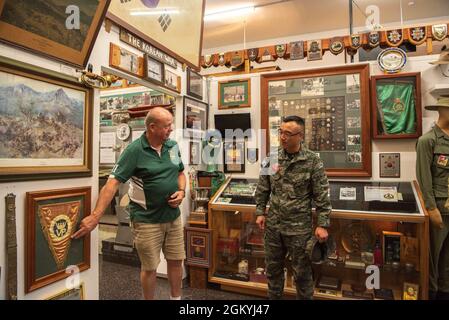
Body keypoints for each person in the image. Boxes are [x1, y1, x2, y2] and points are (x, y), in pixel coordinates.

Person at [72, 107, 186, 300]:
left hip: (173, 217)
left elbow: (180, 173)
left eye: (171, 125)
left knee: (176, 261)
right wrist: (95, 216)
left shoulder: (172, 146)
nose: (171, 129)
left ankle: (176, 299)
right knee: (150, 267)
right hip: (147, 220)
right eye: (167, 126)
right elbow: (112, 184)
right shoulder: (134, 151)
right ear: (152, 127)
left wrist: (181, 191)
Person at [255, 115, 331, 299]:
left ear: (300, 136)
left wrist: (322, 224)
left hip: (299, 230)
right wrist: (260, 211)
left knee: (303, 275)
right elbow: (263, 187)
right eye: (281, 132)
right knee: (273, 273)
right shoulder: (271, 158)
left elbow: (322, 195)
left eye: (288, 133)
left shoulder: (312, 161)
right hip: (274, 227)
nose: (282, 137)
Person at [416, 96, 449, 300]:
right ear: (444, 112)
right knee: (433, 257)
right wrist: (431, 208)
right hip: (439, 206)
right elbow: (424, 177)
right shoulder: (428, 140)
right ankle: (433, 292)